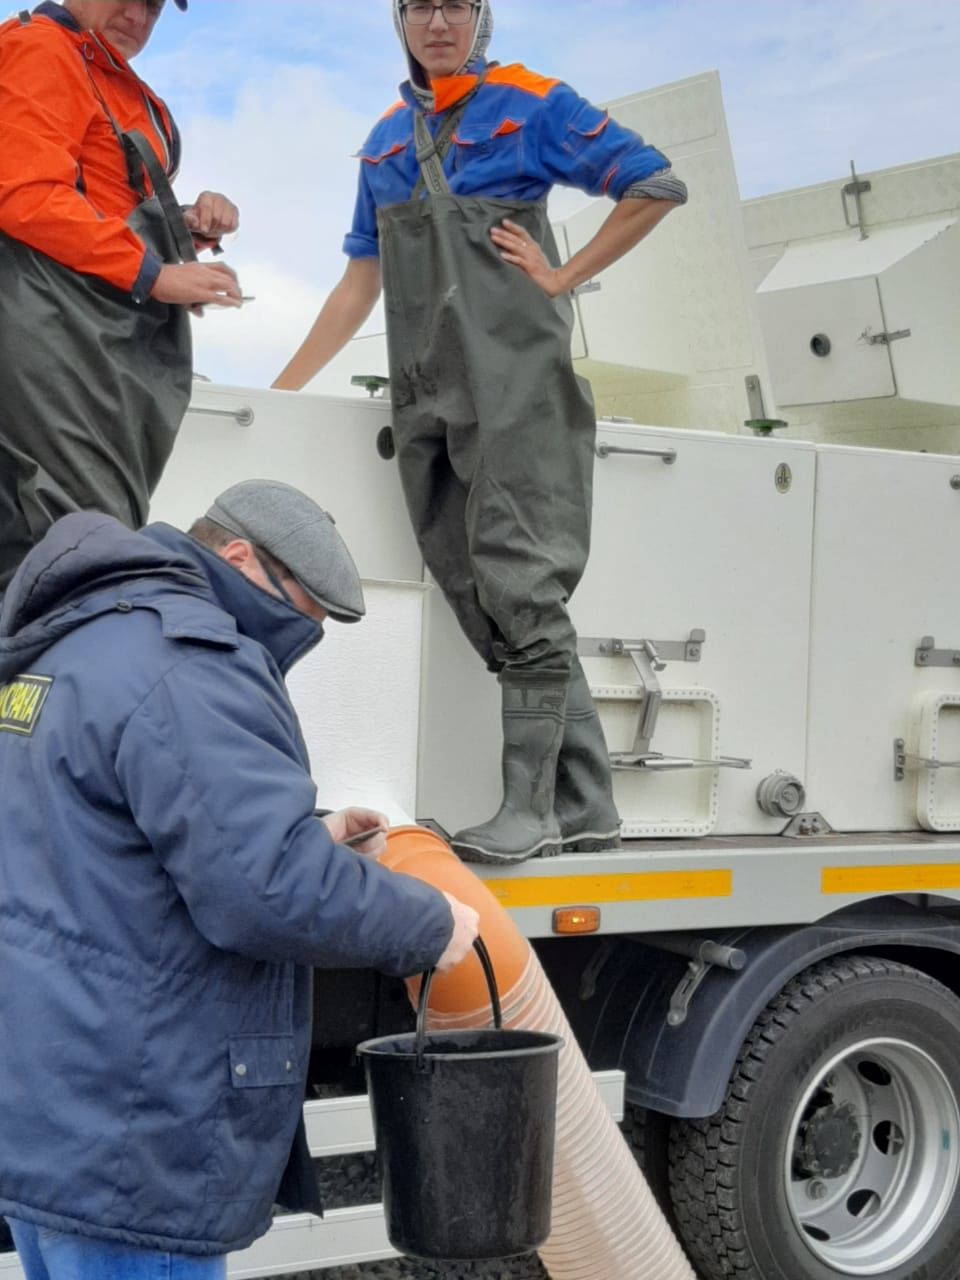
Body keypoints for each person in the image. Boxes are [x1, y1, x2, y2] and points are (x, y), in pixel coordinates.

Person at [0, 479, 479, 1280]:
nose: (309, 632)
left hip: (56, 1101)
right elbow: (267, 890)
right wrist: (431, 923)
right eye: (307, 612)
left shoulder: (77, 641)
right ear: (238, 558)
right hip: (136, 1134)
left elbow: (106, 843)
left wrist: (311, 835)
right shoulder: (192, 664)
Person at [273, 0, 687, 865]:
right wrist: (282, 390)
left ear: (479, 18)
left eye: (456, 5)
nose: (438, 22)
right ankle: (589, 804)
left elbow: (653, 181)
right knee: (477, 591)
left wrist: (562, 274)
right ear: (401, 19)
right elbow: (359, 285)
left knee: (522, 582)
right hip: (426, 392)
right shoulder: (386, 139)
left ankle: (528, 810)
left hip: (516, 389)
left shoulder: (528, 104)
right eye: (421, 6)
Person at [0, 0, 244, 592]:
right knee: (82, 546)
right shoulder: (38, 50)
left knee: (81, 542)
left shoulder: (115, 78)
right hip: (55, 342)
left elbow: (97, 203)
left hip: (102, 350)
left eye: (156, 6)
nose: (140, 15)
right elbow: (26, 195)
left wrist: (182, 224)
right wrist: (156, 273)